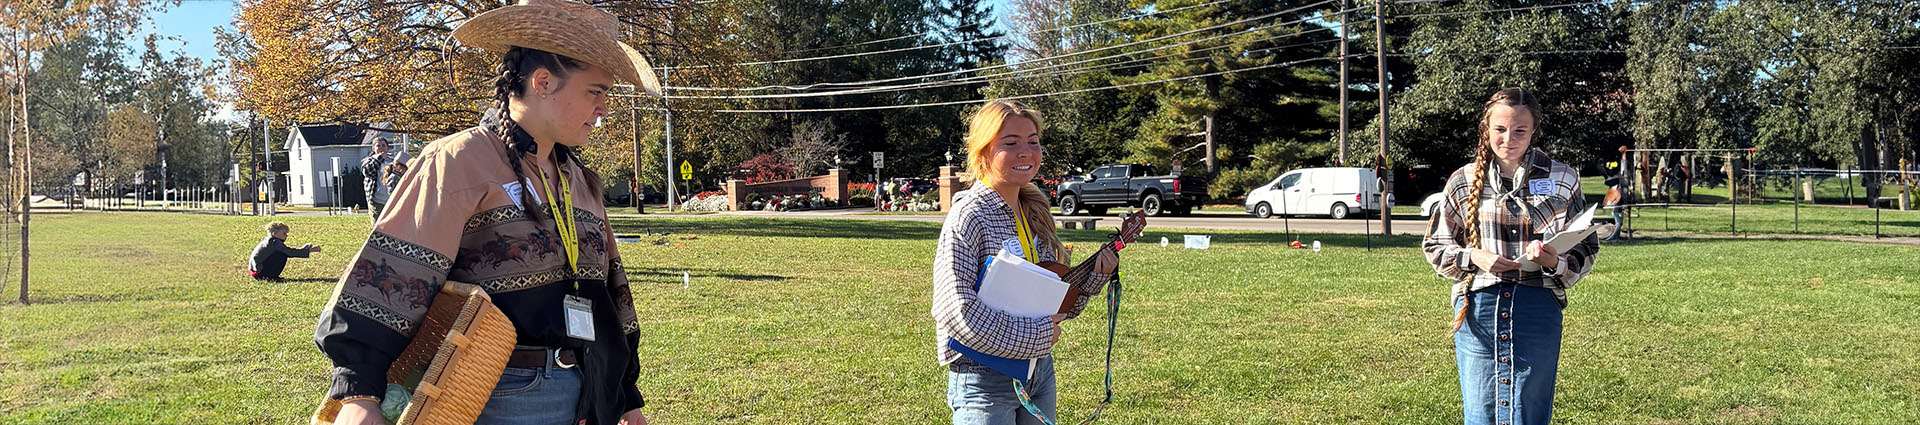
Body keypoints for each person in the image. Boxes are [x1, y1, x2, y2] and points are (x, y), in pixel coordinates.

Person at [312, 1, 664, 424]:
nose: (604, 109)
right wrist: (361, 393)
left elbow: (609, 292)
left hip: (593, 395)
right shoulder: (458, 161)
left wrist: (625, 395)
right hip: (497, 396)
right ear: (544, 82)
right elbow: (391, 274)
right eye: (596, 91)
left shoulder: (578, 179)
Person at [932, 99, 1118, 425]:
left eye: (1033, 141)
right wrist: (1036, 336)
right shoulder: (969, 215)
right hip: (984, 377)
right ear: (983, 151)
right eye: (1011, 142)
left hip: (1038, 372)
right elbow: (956, 311)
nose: (1026, 152)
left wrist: (1094, 278)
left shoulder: (1033, 211)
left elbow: (1055, 304)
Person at [1422, 88, 1601, 425]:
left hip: (1539, 307)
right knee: (1481, 412)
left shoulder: (1563, 178)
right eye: (1500, 130)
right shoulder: (1462, 181)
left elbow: (1586, 247)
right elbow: (1435, 246)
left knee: (1529, 410)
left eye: (1520, 130)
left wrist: (1553, 261)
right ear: (1486, 129)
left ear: (1534, 131)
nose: (1509, 139)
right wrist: (1475, 256)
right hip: (1478, 306)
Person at [249, 221, 322, 283]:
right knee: (281, 255)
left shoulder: (270, 241)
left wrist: (303, 249)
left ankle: (271, 276)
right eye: (284, 233)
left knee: (282, 254)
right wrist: (308, 250)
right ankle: (270, 277)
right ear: (274, 233)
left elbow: (288, 251)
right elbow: (289, 252)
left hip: (256, 272)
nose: (286, 236)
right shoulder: (274, 242)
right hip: (260, 273)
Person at [360, 137, 407, 222]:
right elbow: (368, 172)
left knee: (391, 226)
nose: (381, 147)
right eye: (378, 145)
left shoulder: (393, 161)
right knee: (378, 226)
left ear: (387, 147)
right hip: (376, 201)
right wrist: (379, 158)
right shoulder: (369, 160)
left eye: (383, 145)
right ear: (373, 148)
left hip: (391, 200)